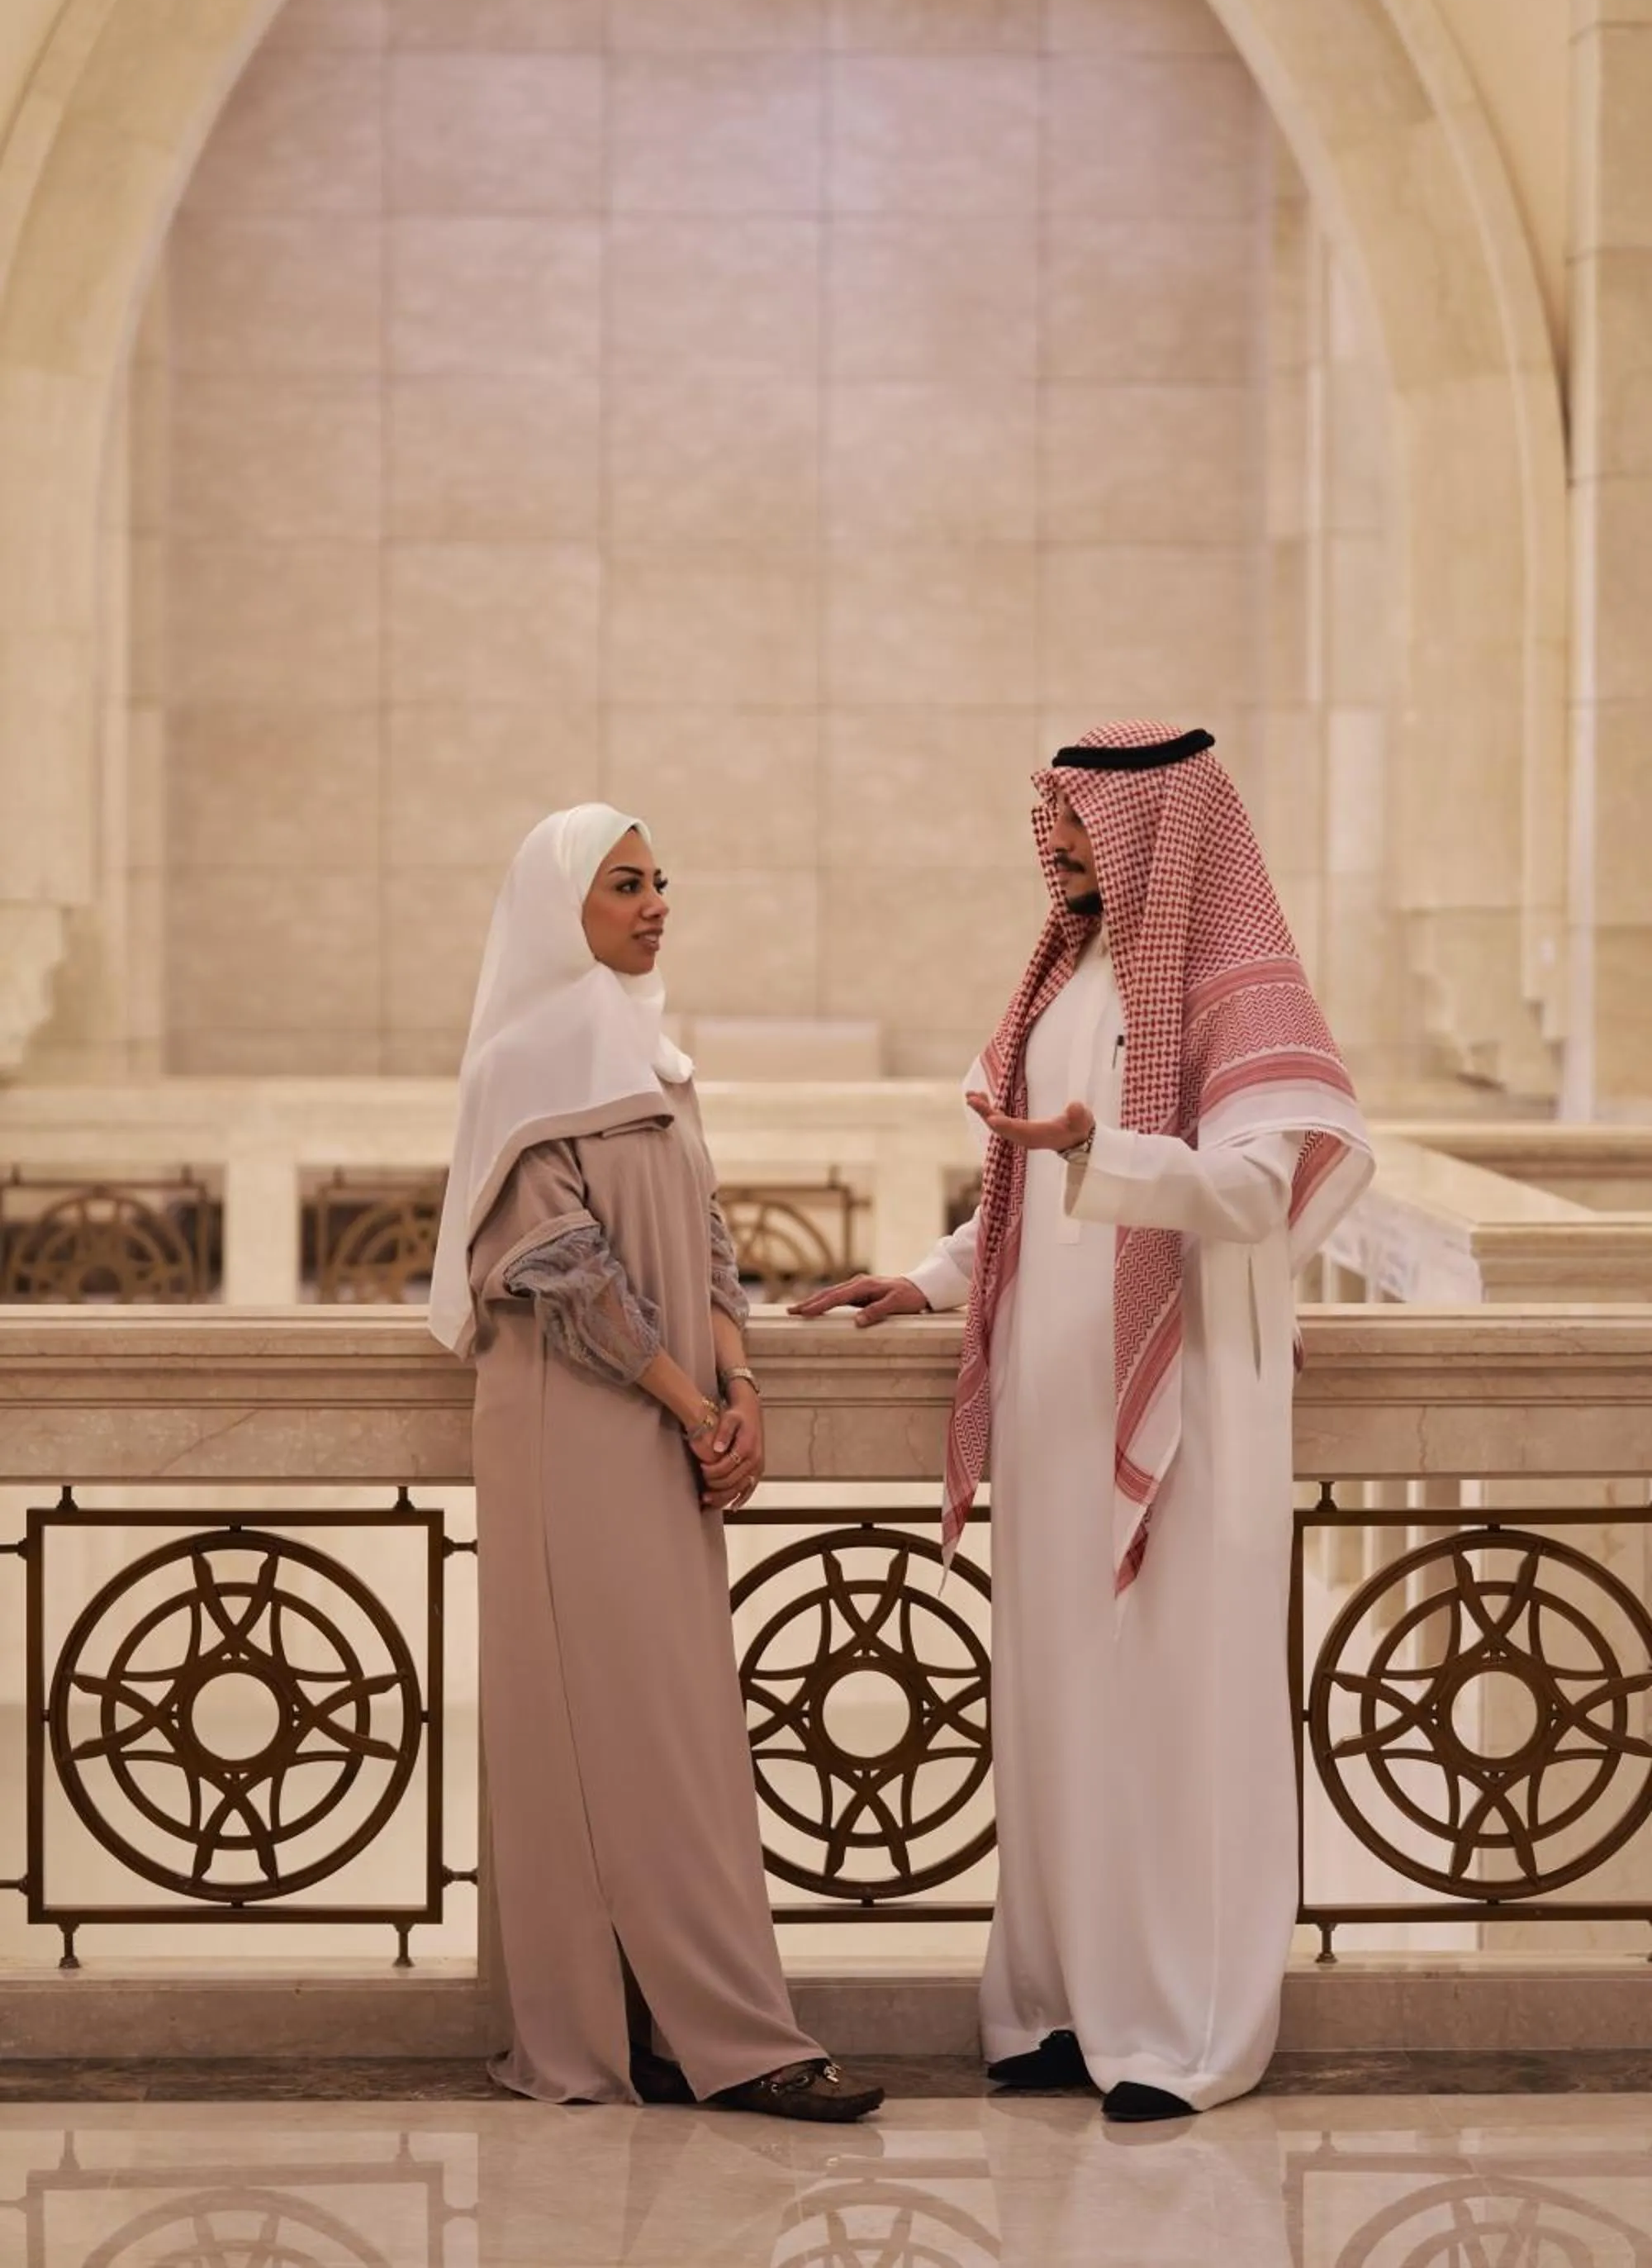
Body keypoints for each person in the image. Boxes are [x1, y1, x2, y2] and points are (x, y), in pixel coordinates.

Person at [795, 724, 1372, 2118]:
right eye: (1042, 815)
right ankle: (1057, 2003)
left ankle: (1180, 2026)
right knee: (1058, 1696)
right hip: (1054, 1399)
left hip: (1189, 1401)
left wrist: (1093, 1154)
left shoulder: (1238, 985)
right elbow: (1018, 1191)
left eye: (1074, 819)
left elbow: (1253, 1189)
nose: (1050, 840)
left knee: (1176, 1703)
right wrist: (936, 1282)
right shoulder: (1063, 976)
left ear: (1158, 835)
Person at [430, 803, 881, 2122]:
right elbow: (560, 1272)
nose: (655, 902)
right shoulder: (522, 1065)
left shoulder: (653, 1058)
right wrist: (694, 1404)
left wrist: (741, 1382)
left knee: (675, 1728)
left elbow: (711, 1234)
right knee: (604, 1730)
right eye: (625, 884)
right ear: (558, 909)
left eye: (660, 880)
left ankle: (687, 2028)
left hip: (670, 1422)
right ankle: (706, 2038)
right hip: (574, 1429)